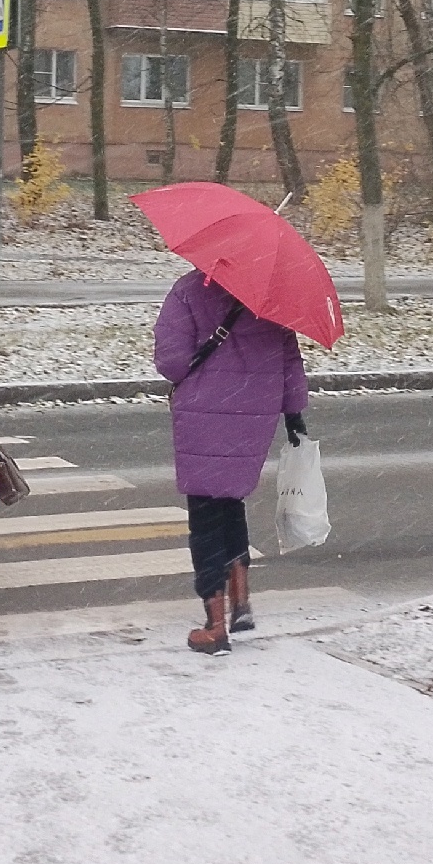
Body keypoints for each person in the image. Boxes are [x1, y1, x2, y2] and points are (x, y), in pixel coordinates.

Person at [154, 265, 307, 656]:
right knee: (230, 499)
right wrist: (294, 413)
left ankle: (215, 626)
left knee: (205, 515)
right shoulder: (270, 300)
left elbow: (171, 362)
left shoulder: (188, 290)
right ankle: (241, 602)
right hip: (253, 414)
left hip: (203, 411)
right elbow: (290, 359)